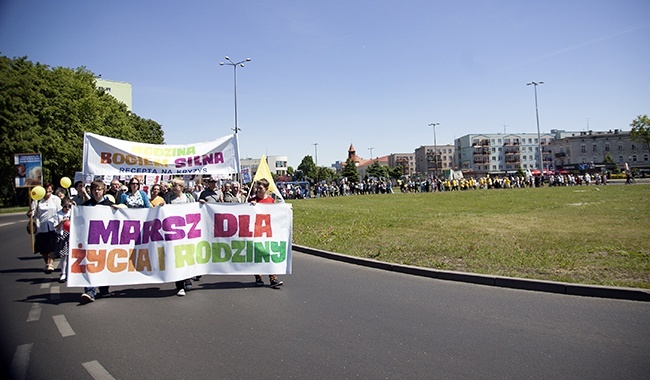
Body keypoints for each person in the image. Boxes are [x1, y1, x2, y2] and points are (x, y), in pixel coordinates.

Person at [80, 180, 117, 304]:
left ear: (104, 190)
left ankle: (104, 288)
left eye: (99, 189)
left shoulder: (110, 205)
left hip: (106, 241)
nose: (97, 192)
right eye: (94, 189)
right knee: (90, 265)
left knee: (104, 264)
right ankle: (90, 291)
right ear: (91, 191)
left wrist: (119, 210)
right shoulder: (86, 206)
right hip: (90, 242)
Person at [164, 178, 196, 296]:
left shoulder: (188, 198)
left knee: (187, 255)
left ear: (181, 187)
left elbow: (195, 209)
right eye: (172, 185)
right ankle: (180, 285)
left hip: (187, 231)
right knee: (177, 257)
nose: (173, 187)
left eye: (175, 185)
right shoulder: (169, 198)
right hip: (175, 232)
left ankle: (187, 278)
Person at [249, 179, 284, 288]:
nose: (258, 190)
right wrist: (250, 206)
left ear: (266, 189)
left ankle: (273, 278)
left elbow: (277, 214)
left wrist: (286, 210)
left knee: (269, 254)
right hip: (255, 231)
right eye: (257, 188)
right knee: (257, 254)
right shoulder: (252, 200)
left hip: (267, 232)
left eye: (261, 188)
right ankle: (258, 276)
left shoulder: (271, 201)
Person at [27, 182, 62, 274]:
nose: (48, 192)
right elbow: (32, 213)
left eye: (50, 190)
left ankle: (50, 264)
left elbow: (60, 211)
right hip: (41, 227)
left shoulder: (56, 199)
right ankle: (48, 263)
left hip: (53, 226)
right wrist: (30, 214)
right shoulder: (37, 200)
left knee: (52, 247)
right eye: (46, 190)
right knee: (43, 249)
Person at [54, 197, 72, 283]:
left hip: (71, 235)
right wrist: (61, 222)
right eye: (65, 206)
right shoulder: (58, 214)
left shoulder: (73, 213)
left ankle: (70, 273)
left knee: (71, 256)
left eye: (69, 206)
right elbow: (55, 228)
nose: (67, 208)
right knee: (64, 255)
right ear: (62, 206)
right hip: (62, 235)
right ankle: (63, 273)